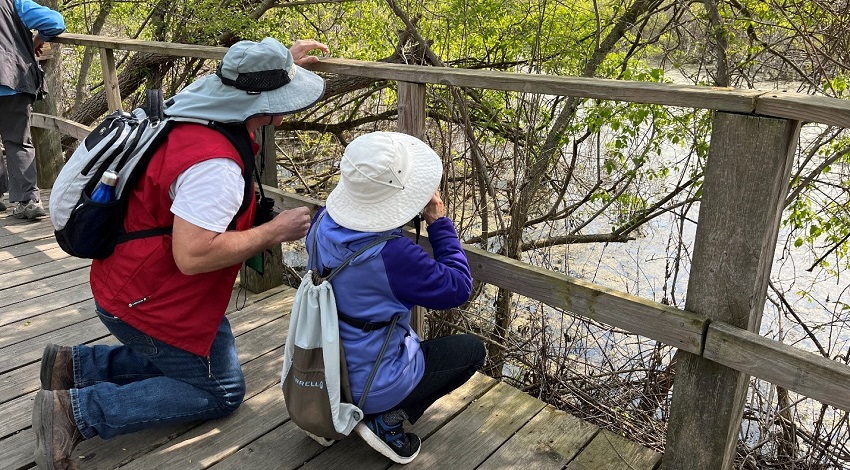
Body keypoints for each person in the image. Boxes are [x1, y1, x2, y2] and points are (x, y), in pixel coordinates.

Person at [31, 37, 328, 470]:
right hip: (149, 300)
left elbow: (233, 77)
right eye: (283, 99)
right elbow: (192, 255)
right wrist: (273, 232)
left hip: (126, 278)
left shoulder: (197, 109)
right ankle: (75, 412)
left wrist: (282, 63)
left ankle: (71, 365)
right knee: (220, 391)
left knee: (196, 364)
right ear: (259, 105)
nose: (286, 111)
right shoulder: (217, 169)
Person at [308, 131, 486, 464]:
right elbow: (459, 286)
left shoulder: (320, 223)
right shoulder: (392, 255)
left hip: (323, 364)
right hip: (370, 384)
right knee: (472, 351)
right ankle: (385, 419)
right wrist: (439, 222)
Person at [0, 0, 65, 218]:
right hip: (14, 79)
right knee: (18, 141)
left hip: (11, 79)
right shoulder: (13, 2)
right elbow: (55, 22)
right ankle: (28, 201)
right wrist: (38, 39)